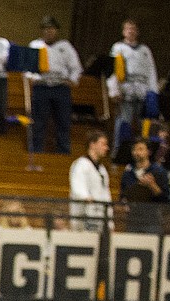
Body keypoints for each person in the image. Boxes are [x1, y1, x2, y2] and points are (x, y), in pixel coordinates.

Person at [28, 16, 82, 154]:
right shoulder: (36, 45)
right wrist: (32, 77)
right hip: (42, 86)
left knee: (63, 122)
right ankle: (36, 152)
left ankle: (63, 153)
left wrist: (72, 80)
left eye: (51, 29)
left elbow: (76, 68)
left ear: (56, 31)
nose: (48, 32)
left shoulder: (65, 46)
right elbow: (27, 67)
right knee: (38, 122)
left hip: (61, 88)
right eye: (45, 29)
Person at [108, 20, 158, 153]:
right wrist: (114, 90)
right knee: (124, 123)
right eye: (128, 29)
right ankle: (119, 152)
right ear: (123, 31)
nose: (131, 31)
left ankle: (145, 153)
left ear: (137, 32)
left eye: (133, 29)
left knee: (145, 127)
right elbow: (113, 70)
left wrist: (153, 93)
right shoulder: (118, 47)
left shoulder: (145, 50)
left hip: (143, 90)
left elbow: (151, 71)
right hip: (126, 89)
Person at [120, 137, 170, 232]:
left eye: (140, 149)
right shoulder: (128, 173)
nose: (136, 152)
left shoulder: (158, 171)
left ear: (148, 152)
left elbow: (165, 199)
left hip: (152, 221)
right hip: (133, 221)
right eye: (134, 149)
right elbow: (123, 195)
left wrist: (152, 185)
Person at [67, 130, 112, 232]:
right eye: (103, 144)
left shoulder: (102, 169)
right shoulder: (81, 164)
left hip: (99, 219)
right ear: (92, 144)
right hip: (83, 218)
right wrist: (86, 197)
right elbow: (77, 187)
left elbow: (106, 195)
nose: (106, 148)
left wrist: (110, 222)